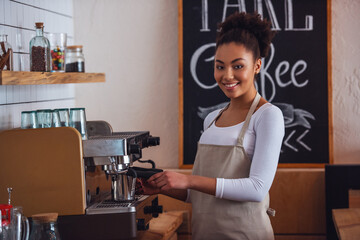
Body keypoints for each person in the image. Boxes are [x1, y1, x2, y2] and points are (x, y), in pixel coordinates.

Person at [138, 12, 285, 240]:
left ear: (257, 66)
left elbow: (257, 189)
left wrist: (187, 179)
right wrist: (165, 187)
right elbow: (202, 194)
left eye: (238, 66)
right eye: (220, 66)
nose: (227, 75)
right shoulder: (212, 119)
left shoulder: (267, 116)